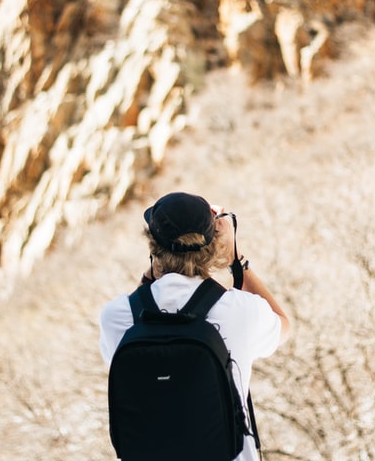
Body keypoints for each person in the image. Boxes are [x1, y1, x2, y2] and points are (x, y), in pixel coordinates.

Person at [99, 191, 291, 461]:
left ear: (152, 247)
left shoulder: (116, 316)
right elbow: (283, 325)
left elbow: (127, 340)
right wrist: (237, 259)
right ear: (213, 243)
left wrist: (151, 273)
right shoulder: (241, 311)